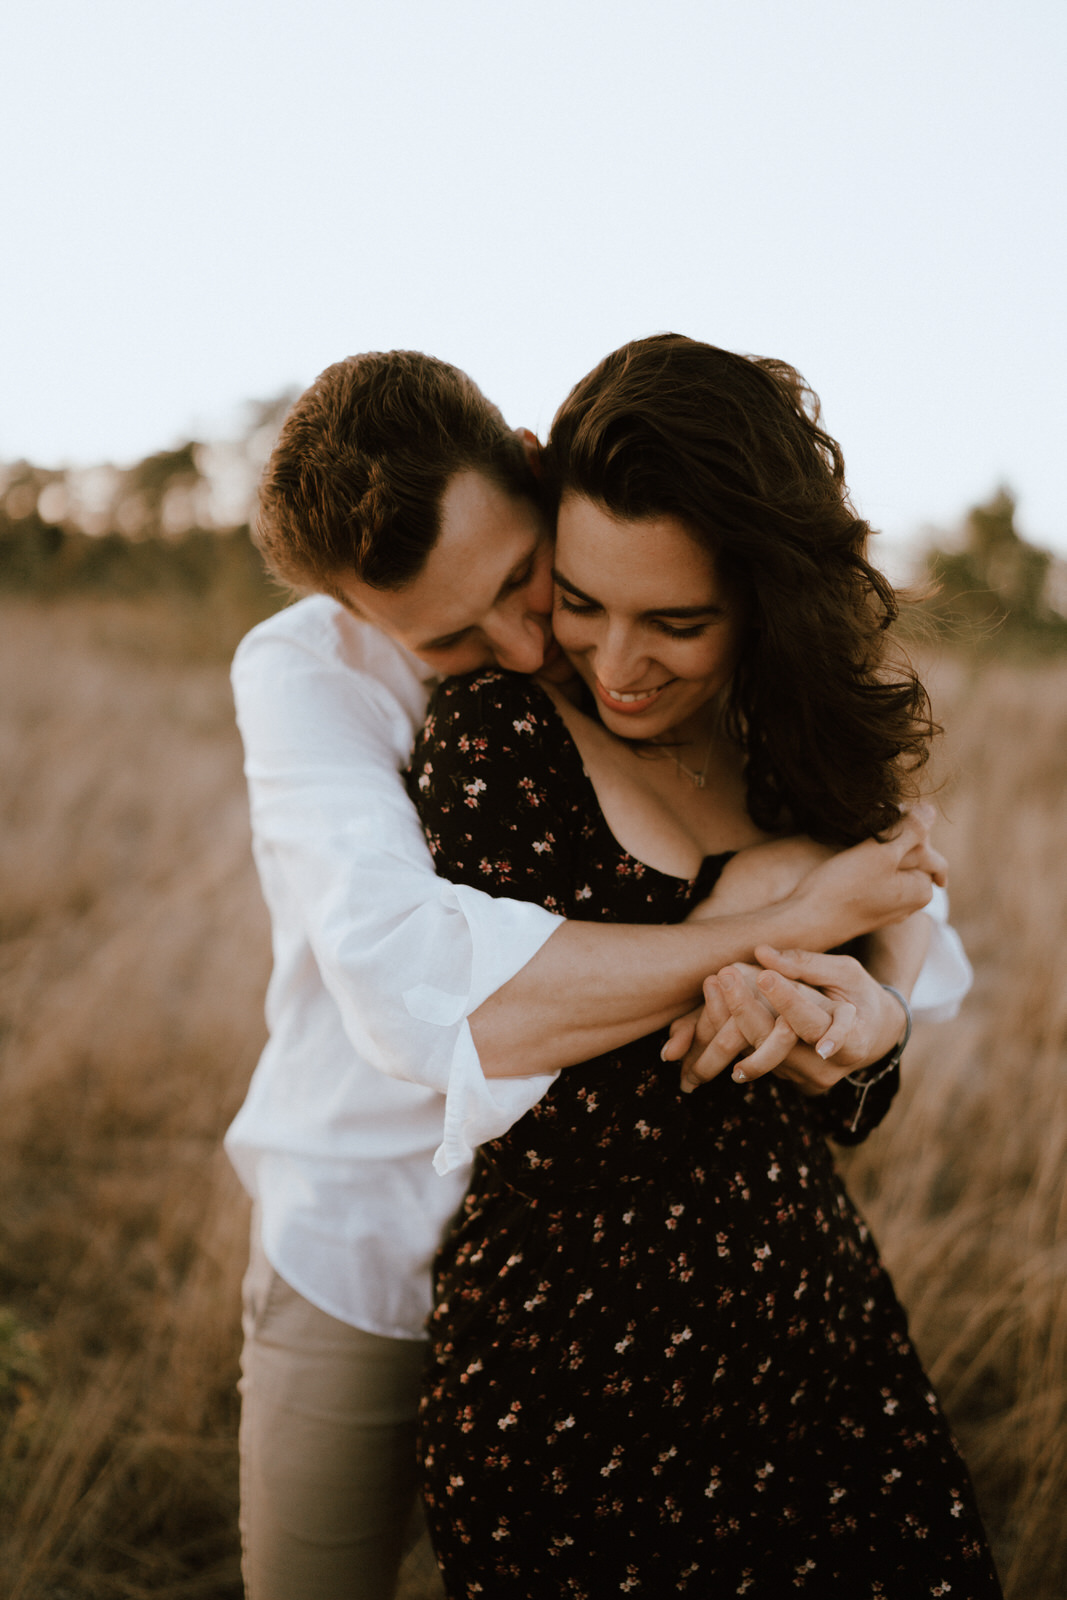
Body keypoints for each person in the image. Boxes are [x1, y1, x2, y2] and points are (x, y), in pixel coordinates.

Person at [225, 350, 967, 1599]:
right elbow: (433, 998)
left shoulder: (658, 632)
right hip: (364, 1224)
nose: (524, 642)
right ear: (365, 616)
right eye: (449, 635)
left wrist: (810, 922)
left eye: (527, 582)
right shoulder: (317, 678)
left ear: (528, 459)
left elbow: (899, 925)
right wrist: (770, 915)